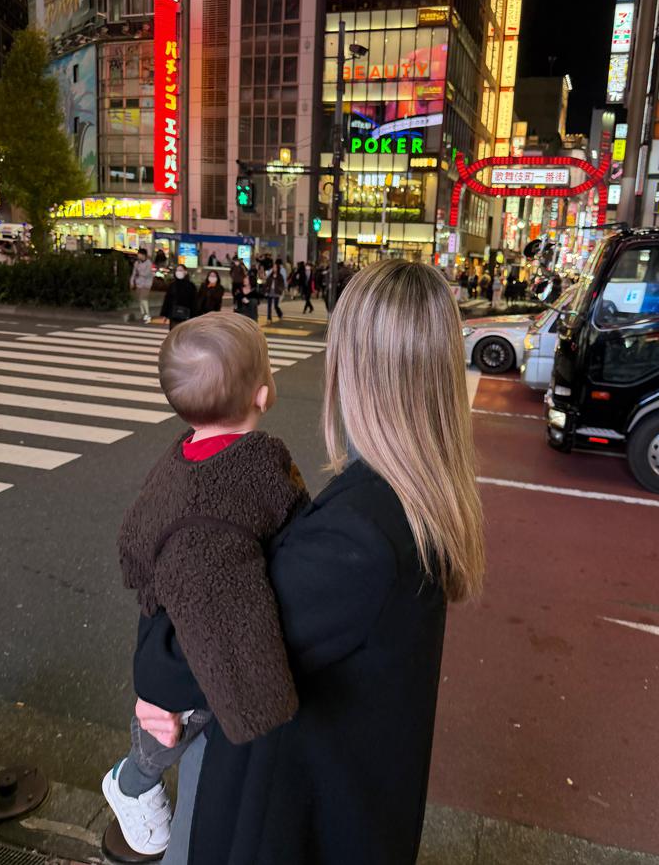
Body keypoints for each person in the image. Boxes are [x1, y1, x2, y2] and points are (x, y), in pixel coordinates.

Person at [133, 260, 486, 865]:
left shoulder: (360, 537)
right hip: (350, 808)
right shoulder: (409, 498)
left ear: (355, 372)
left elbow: (174, 664)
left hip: (289, 826)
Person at [101, 314, 308, 857]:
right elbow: (230, 619)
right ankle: (130, 786)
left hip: (164, 626)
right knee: (169, 733)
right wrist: (261, 708)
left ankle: (137, 776)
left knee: (160, 724)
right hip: (193, 657)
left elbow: (138, 531)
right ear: (264, 392)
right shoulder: (253, 478)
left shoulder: (183, 454)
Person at [130, 248, 154, 325]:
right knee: (140, 300)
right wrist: (131, 282)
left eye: (139, 254)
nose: (138, 255)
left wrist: (139, 273)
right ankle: (143, 315)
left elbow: (146, 274)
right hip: (139, 283)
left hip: (146, 284)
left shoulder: (149, 263)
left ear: (143, 255)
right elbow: (134, 273)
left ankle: (147, 315)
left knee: (144, 299)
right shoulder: (137, 263)